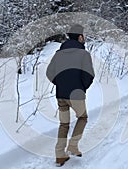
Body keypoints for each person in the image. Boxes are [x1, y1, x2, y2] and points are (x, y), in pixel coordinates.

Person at [46, 24, 95, 166]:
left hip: (61, 95)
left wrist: (60, 83)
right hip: (77, 95)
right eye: (83, 36)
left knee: (64, 124)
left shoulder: (58, 53)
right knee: (83, 117)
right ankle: (73, 145)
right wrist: (81, 86)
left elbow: (50, 73)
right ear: (80, 37)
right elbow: (89, 75)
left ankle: (60, 154)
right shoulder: (84, 54)